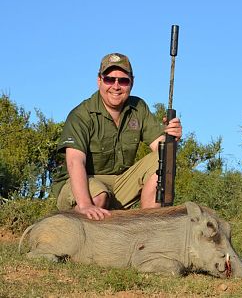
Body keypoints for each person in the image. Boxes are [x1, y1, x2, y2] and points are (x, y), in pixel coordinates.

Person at [52, 53, 182, 220]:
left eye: (123, 80)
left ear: (132, 82)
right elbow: (75, 161)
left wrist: (172, 138)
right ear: (99, 80)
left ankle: (148, 226)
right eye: (109, 79)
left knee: (164, 157)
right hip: (83, 182)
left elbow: (161, 149)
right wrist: (85, 205)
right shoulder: (81, 114)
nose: (116, 86)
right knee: (99, 197)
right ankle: (73, 227)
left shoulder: (139, 108)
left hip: (119, 184)